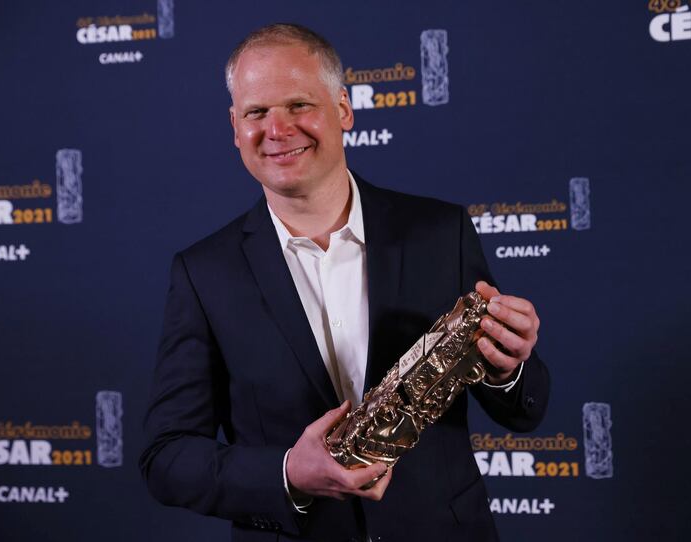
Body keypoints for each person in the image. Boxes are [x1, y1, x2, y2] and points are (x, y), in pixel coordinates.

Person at [140, 23, 549, 542]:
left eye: (298, 105)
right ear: (234, 126)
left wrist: (508, 368)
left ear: (343, 109)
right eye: (256, 112)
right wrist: (288, 473)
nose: (277, 129)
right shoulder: (204, 273)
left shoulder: (440, 233)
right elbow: (167, 456)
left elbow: (525, 407)